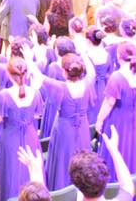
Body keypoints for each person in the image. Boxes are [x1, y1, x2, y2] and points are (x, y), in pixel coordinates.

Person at [96, 42, 136, 178]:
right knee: (135, 153)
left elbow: (109, 102)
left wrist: (99, 120)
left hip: (118, 121)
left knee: (117, 152)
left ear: (119, 57)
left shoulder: (117, 77)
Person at [42, 54, 95, 190]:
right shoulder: (88, 83)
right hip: (82, 128)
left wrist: (29, 59)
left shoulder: (60, 87)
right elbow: (92, 71)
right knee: (83, 159)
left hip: (64, 130)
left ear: (65, 72)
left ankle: (61, 190)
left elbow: (37, 76)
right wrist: (84, 53)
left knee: (63, 160)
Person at [0, 57, 43, 201]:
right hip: (30, 136)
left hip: (10, 138)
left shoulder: (4, 95)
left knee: (9, 172)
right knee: (31, 171)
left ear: (9, 75)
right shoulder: (36, 93)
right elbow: (37, 116)